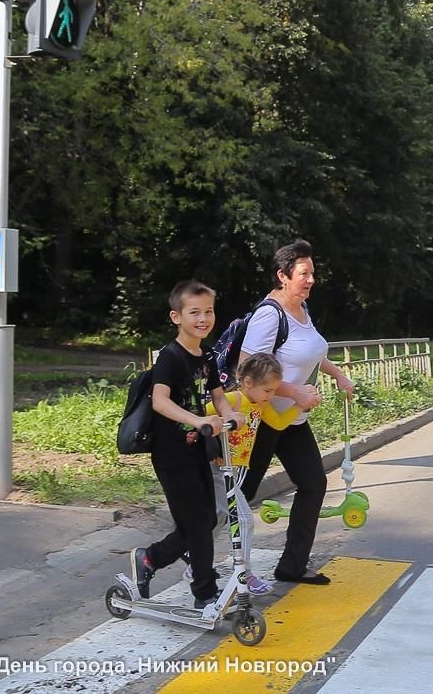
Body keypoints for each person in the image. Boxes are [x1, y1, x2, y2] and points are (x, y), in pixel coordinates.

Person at [239, 239, 354, 585]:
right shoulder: (269, 315)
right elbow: (247, 368)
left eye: (312, 273)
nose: (310, 280)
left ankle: (291, 566)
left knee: (313, 483)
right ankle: (187, 549)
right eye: (304, 274)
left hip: (291, 419)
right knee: (240, 493)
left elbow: (310, 353)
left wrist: (338, 375)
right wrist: (295, 391)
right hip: (261, 419)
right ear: (282, 276)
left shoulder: (301, 310)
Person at [129, 281, 244, 608]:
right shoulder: (170, 356)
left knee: (206, 521)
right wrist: (198, 421)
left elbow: (218, 397)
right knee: (197, 523)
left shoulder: (206, 355)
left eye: (208, 311)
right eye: (194, 312)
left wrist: (230, 414)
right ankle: (205, 594)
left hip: (198, 449)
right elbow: (160, 402)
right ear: (176, 316)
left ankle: (150, 559)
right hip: (171, 453)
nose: (203, 318)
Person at [197, 352, 300, 596]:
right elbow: (202, 416)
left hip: (235, 470)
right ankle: (244, 575)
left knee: (219, 517)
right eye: (267, 391)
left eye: (274, 391)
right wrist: (213, 447)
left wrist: (300, 406)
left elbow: (278, 423)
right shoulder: (232, 400)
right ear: (248, 383)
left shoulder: (259, 405)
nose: (271, 396)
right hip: (218, 469)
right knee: (241, 519)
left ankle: (196, 559)